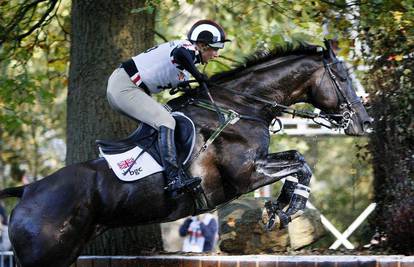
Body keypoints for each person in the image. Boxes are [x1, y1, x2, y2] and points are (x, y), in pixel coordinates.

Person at [106, 20, 230, 197]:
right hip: (125, 87)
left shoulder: (186, 64)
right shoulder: (186, 47)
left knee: (162, 123)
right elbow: (180, 54)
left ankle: (146, 171)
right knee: (165, 121)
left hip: (125, 87)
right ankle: (173, 178)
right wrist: (198, 75)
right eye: (214, 48)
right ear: (202, 45)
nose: (216, 54)